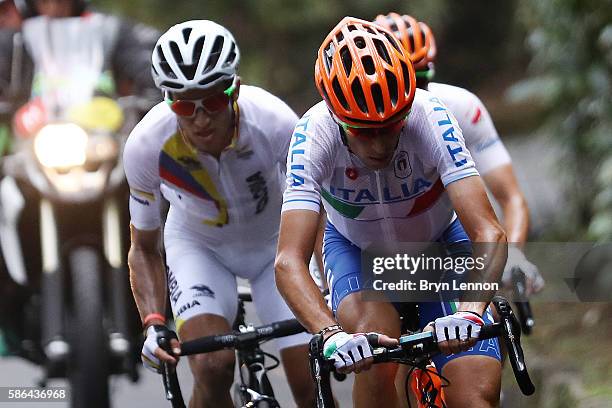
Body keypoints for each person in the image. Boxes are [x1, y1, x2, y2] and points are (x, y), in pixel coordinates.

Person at [275, 17, 507, 408]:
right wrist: (331, 335)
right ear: (335, 115)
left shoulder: (431, 115)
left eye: (392, 125)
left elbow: (489, 232)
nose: (381, 142)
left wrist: (469, 312)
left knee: (473, 398)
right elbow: (287, 262)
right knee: (374, 344)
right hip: (357, 252)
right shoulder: (312, 134)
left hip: (440, 246)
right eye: (364, 130)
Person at [124, 20, 315, 407]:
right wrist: (153, 324)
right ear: (166, 100)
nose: (199, 118)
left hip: (276, 248)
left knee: (311, 377)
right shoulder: (145, 145)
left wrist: (326, 281)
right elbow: (143, 248)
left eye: (212, 100)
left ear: (235, 89)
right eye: (182, 104)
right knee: (211, 367)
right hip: (200, 248)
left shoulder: (276, 122)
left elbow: (314, 207)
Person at [374, 12, 544, 296]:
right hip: (380, 248)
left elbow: (510, 198)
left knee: (481, 314)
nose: (414, 97)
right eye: (402, 84)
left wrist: (513, 255)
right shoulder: (348, 128)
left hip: (447, 232)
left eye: (421, 80)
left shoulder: (462, 107)